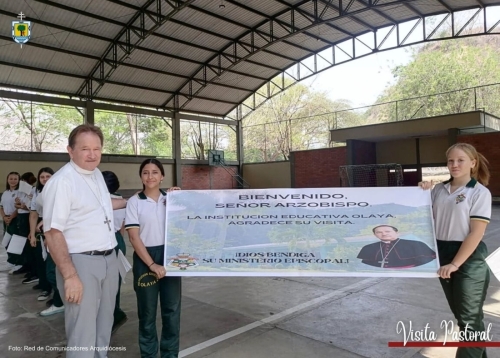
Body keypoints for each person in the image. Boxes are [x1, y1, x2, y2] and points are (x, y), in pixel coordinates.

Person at [43, 124, 119, 357]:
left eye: (97, 148)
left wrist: (136, 199)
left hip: (108, 258)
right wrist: (70, 276)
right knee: (82, 332)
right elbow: (53, 232)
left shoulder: (95, 173)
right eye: (85, 148)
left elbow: (101, 206)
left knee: (104, 324)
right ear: (70, 150)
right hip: (81, 263)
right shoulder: (62, 182)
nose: (92, 154)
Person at [420, 142, 492, 358]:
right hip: (442, 253)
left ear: (473, 163)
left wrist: (455, 264)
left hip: (468, 258)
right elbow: (423, 220)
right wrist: (422, 192)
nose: (454, 164)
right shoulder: (438, 190)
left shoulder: (479, 192)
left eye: (460, 160)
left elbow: (475, 234)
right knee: (465, 318)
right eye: (451, 160)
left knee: (469, 320)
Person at [125, 159, 182, 358]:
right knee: (147, 313)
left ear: (162, 176)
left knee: (172, 311)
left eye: (155, 172)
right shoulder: (134, 202)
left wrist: (181, 198)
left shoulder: (173, 199)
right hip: (145, 258)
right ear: (141, 176)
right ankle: (148, 355)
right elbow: (133, 236)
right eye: (146, 173)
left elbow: (188, 221)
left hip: (170, 256)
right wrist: (151, 264)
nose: (150, 177)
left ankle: (170, 354)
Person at [101, 170, 128, 333]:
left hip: (108, 241)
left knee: (107, 283)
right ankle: (113, 312)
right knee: (113, 282)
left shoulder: (102, 201)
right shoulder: (123, 201)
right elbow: (123, 227)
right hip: (117, 239)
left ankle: (113, 315)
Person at [28, 167, 56, 302]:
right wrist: (32, 233)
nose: (45, 179)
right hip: (41, 224)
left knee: (53, 262)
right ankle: (45, 287)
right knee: (40, 258)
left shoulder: (58, 190)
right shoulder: (36, 191)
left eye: (48, 176)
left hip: (53, 225)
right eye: (42, 177)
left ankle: (58, 294)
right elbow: (33, 214)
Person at [357, 225, 436, 268]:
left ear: (396, 232)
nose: (384, 234)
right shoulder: (368, 247)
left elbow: (425, 262)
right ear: (375, 235)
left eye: (387, 231)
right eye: (379, 232)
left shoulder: (416, 244)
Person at [1, 172, 20, 273]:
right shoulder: (5, 193)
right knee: (6, 241)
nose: (13, 181)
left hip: (15, 219)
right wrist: (4, 217)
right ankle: (10, 261)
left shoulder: (19, 192)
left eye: (15, 179)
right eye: (11, 178)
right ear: (7, 180)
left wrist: (11, 218)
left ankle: (18, 263)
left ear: (18, 180)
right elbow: (1, 207)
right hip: (6, 219)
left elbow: (19, 208)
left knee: (15, 242)